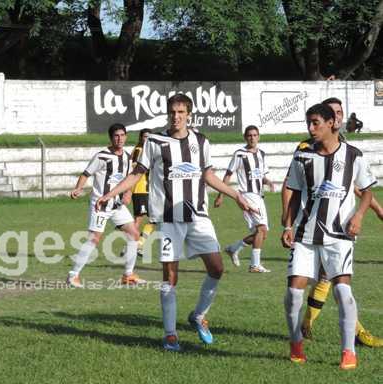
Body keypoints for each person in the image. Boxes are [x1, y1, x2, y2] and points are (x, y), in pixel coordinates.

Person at [96, 94, 256, 351]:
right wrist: (110, 194)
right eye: (172, 111)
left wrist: (236, 195)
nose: (176, 116)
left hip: (198, 216)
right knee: (170, 277)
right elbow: (136, 174)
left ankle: (198, 315)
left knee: (217, 269)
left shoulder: (201, 141)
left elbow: (208, 175)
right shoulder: (155, 141)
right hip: (169, 219)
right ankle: (170, 334)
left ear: (189, 115)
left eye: (181, 112)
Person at [281, 97, 383, 347]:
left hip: (339, 229)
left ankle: (333, 331)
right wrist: (287, 222)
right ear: (327, 119)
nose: (338, 116)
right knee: (326, 282)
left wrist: (373, 210)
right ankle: (341, 331)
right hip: (310, 229)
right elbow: (291, 185)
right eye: (334, 112)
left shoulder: (348, 149)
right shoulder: (305, 150)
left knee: (334, 282)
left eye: (340, 112)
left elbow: (353, 186)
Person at [68, 123, 145, 288]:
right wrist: (78, 188)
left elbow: (128, 179)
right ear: (111, 138)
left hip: (116, 205)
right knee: (94, 239)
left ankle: (128, 275)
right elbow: (86, 174)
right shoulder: (101, 156)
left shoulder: (127, 157)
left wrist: (128, 192)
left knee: (134, 234)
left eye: (122, 135)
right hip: (100, 204)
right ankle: (73, 275)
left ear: (126, 136)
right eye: (116, 136)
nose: (120, 139)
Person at [215, 125, 275, 273]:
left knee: (262, 234)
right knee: (261, 229)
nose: (252, 138)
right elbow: (228, 174)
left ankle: (233, 248)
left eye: (255, 135)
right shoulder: (239, 154)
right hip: (247, 195)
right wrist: (221, 195)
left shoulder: (261, 154)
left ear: (258, 137)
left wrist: (268, 182)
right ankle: (254, 265)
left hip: (259, 196)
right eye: (249, 135)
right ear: (245, 137)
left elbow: (260, 176)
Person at [129, 128, 156, 258]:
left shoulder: (148, 150)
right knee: (139, 219)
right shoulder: (139, 150)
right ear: (141, 138)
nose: (147, 139)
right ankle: (132, 246)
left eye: (149, 137)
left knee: (154, 219)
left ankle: (138, 244)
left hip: (148, 189)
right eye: (145, 136)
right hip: (140, 189)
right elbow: (134, 166)